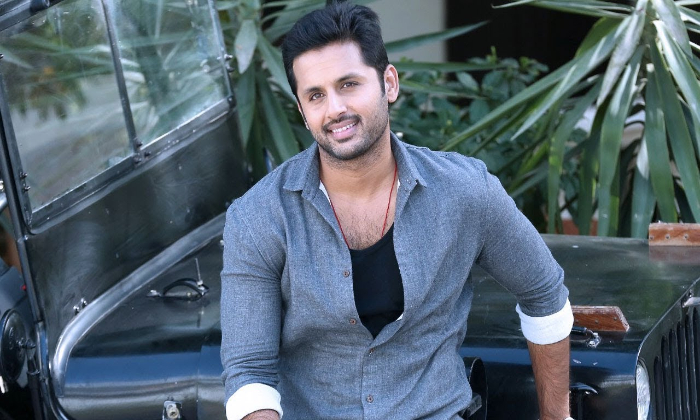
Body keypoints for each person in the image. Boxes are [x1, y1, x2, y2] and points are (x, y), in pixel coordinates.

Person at [220, 2, 574, 420]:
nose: (334, 109)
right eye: (316, 95)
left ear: (388, 83)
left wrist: (557, 417)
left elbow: (544, 293)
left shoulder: (465, 192)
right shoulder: (259, 217)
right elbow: (249, 372)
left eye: (348, 84)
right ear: (302, 110)